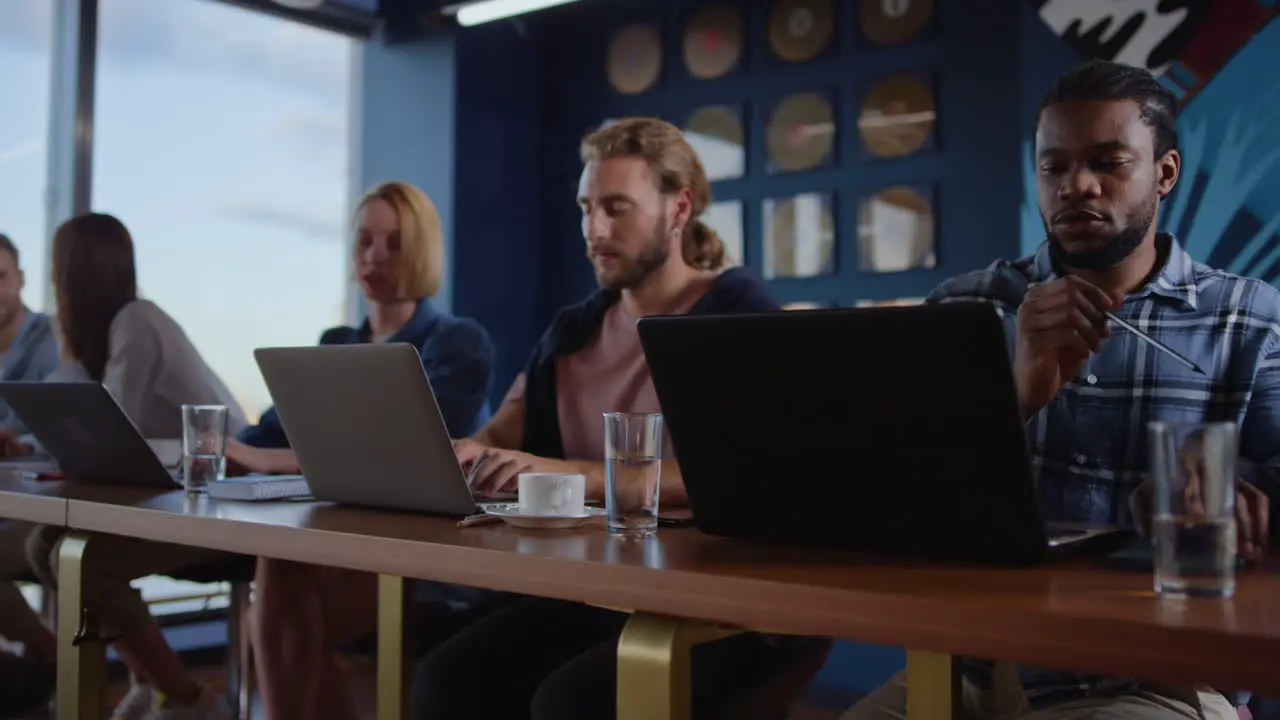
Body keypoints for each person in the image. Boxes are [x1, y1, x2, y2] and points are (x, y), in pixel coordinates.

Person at [841, 60, 1278, 720]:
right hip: (974, 665)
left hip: (1158, 674)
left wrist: (1230, 492)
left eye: (1108, 162)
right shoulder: (964, 307)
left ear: (1165, 173)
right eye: (1054, 167)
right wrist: (1015, 397)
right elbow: (896, 495)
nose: (1077, 185)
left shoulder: (1251, 319)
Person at [413, 117, 825, 720]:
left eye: (617, 208)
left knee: (569, 705)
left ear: (678, 209)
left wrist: (566, 475)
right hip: (596, 593)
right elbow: (503, 435)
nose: (594, 230)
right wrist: (465, 455)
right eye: (586, 208)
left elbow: (760, 475)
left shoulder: (738, 313)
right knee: (445, 681)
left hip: (724, 603)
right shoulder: (573, 332)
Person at [239, 180, 497, 720]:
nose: (375, 256)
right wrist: (210, 447)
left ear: (421, 251)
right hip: (345, 543)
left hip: (430, 550)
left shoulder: (459, 341)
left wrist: (273, 461)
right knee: (276, 593)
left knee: (275, 607)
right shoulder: (337, 343)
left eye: (395, 243)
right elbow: (265, 436)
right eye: (364, 242)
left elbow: (411, 452)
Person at [24, 212, 250, 720]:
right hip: (179, 491)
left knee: (87, 560)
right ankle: (154, 683)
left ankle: (189, 699)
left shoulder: (137, 321)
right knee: (44, 546)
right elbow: (86, 434)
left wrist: (68, 354)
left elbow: (110, 428)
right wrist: (68, 347)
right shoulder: (106, 332)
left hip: (225, 494)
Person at [0, 232, 69, 717]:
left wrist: (19, 444)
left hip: (48, 499)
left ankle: (51, 653)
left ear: (20, 280)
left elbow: (72, 429)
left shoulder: (53, 341)